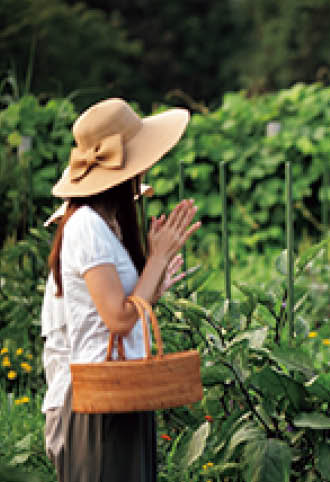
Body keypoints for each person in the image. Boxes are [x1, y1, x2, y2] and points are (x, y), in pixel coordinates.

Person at [38, 98, 202, 482]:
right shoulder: (87, 226)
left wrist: (153, 284)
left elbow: (120, 310)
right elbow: (118, 319)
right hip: (103, 402)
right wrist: (157, 258)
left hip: (125, 394)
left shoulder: (106, 225)